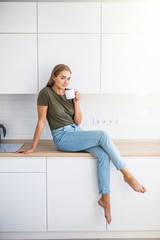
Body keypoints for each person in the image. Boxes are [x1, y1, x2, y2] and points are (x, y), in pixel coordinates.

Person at [16, 64, 146, 224]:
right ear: (54, 76)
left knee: (103, 154)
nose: (65, 81)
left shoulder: (69, 93)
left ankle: (105, 199)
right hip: (62, 137)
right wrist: (33, 147)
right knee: (103, 135)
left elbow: (77, 121)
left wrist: (77, 101)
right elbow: (42, 121)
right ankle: (128, 175)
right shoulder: (45, 93)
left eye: (68, 78)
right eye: (62, 77)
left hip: (76, 131)